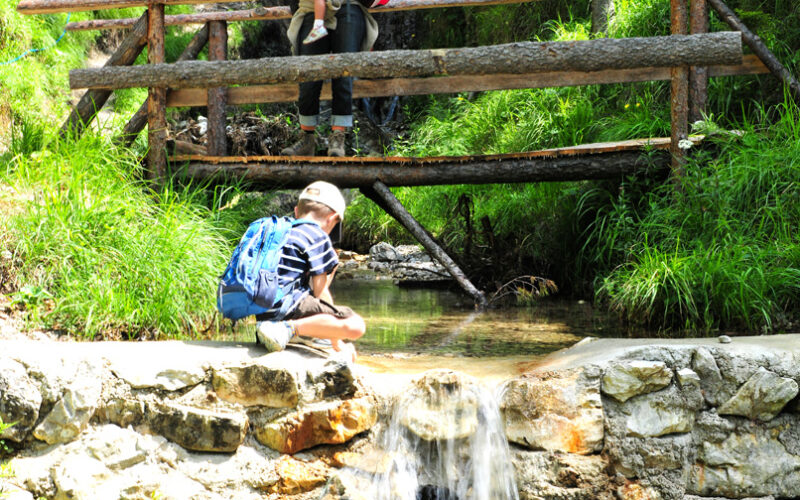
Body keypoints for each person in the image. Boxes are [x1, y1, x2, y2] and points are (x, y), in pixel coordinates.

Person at [255, 181, 366, 359]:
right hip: (286, 307)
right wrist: (336, 340)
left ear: (297, 211)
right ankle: (288, 329)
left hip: (262, 310)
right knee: (355, 325)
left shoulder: (281, 231)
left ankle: (286, 331)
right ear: (332, 219)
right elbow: (320, 292)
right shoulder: (318, 236)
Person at [281, 0, 379, 157]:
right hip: (311, 9)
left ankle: (338, 138)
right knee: (308, 76)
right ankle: (307, 138)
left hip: (349, 8)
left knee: (343, 76)